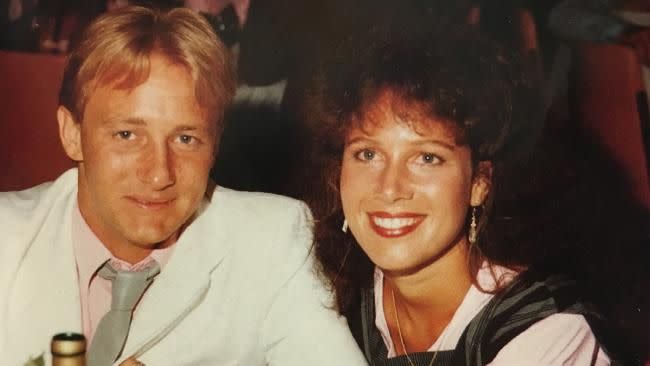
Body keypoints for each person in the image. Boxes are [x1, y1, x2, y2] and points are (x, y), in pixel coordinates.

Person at [0, 6, 367, 366]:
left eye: (186, 139)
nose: (160, 174)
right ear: (72, 133)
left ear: (215, 145)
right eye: (127, 134)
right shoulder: (7, 236)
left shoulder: (271, 242)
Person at [299, 23, 634, 365]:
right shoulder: (326, 291)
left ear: (479, 183)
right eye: (368, 154)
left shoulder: (546, 330)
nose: (389, 187)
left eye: (427, 158)